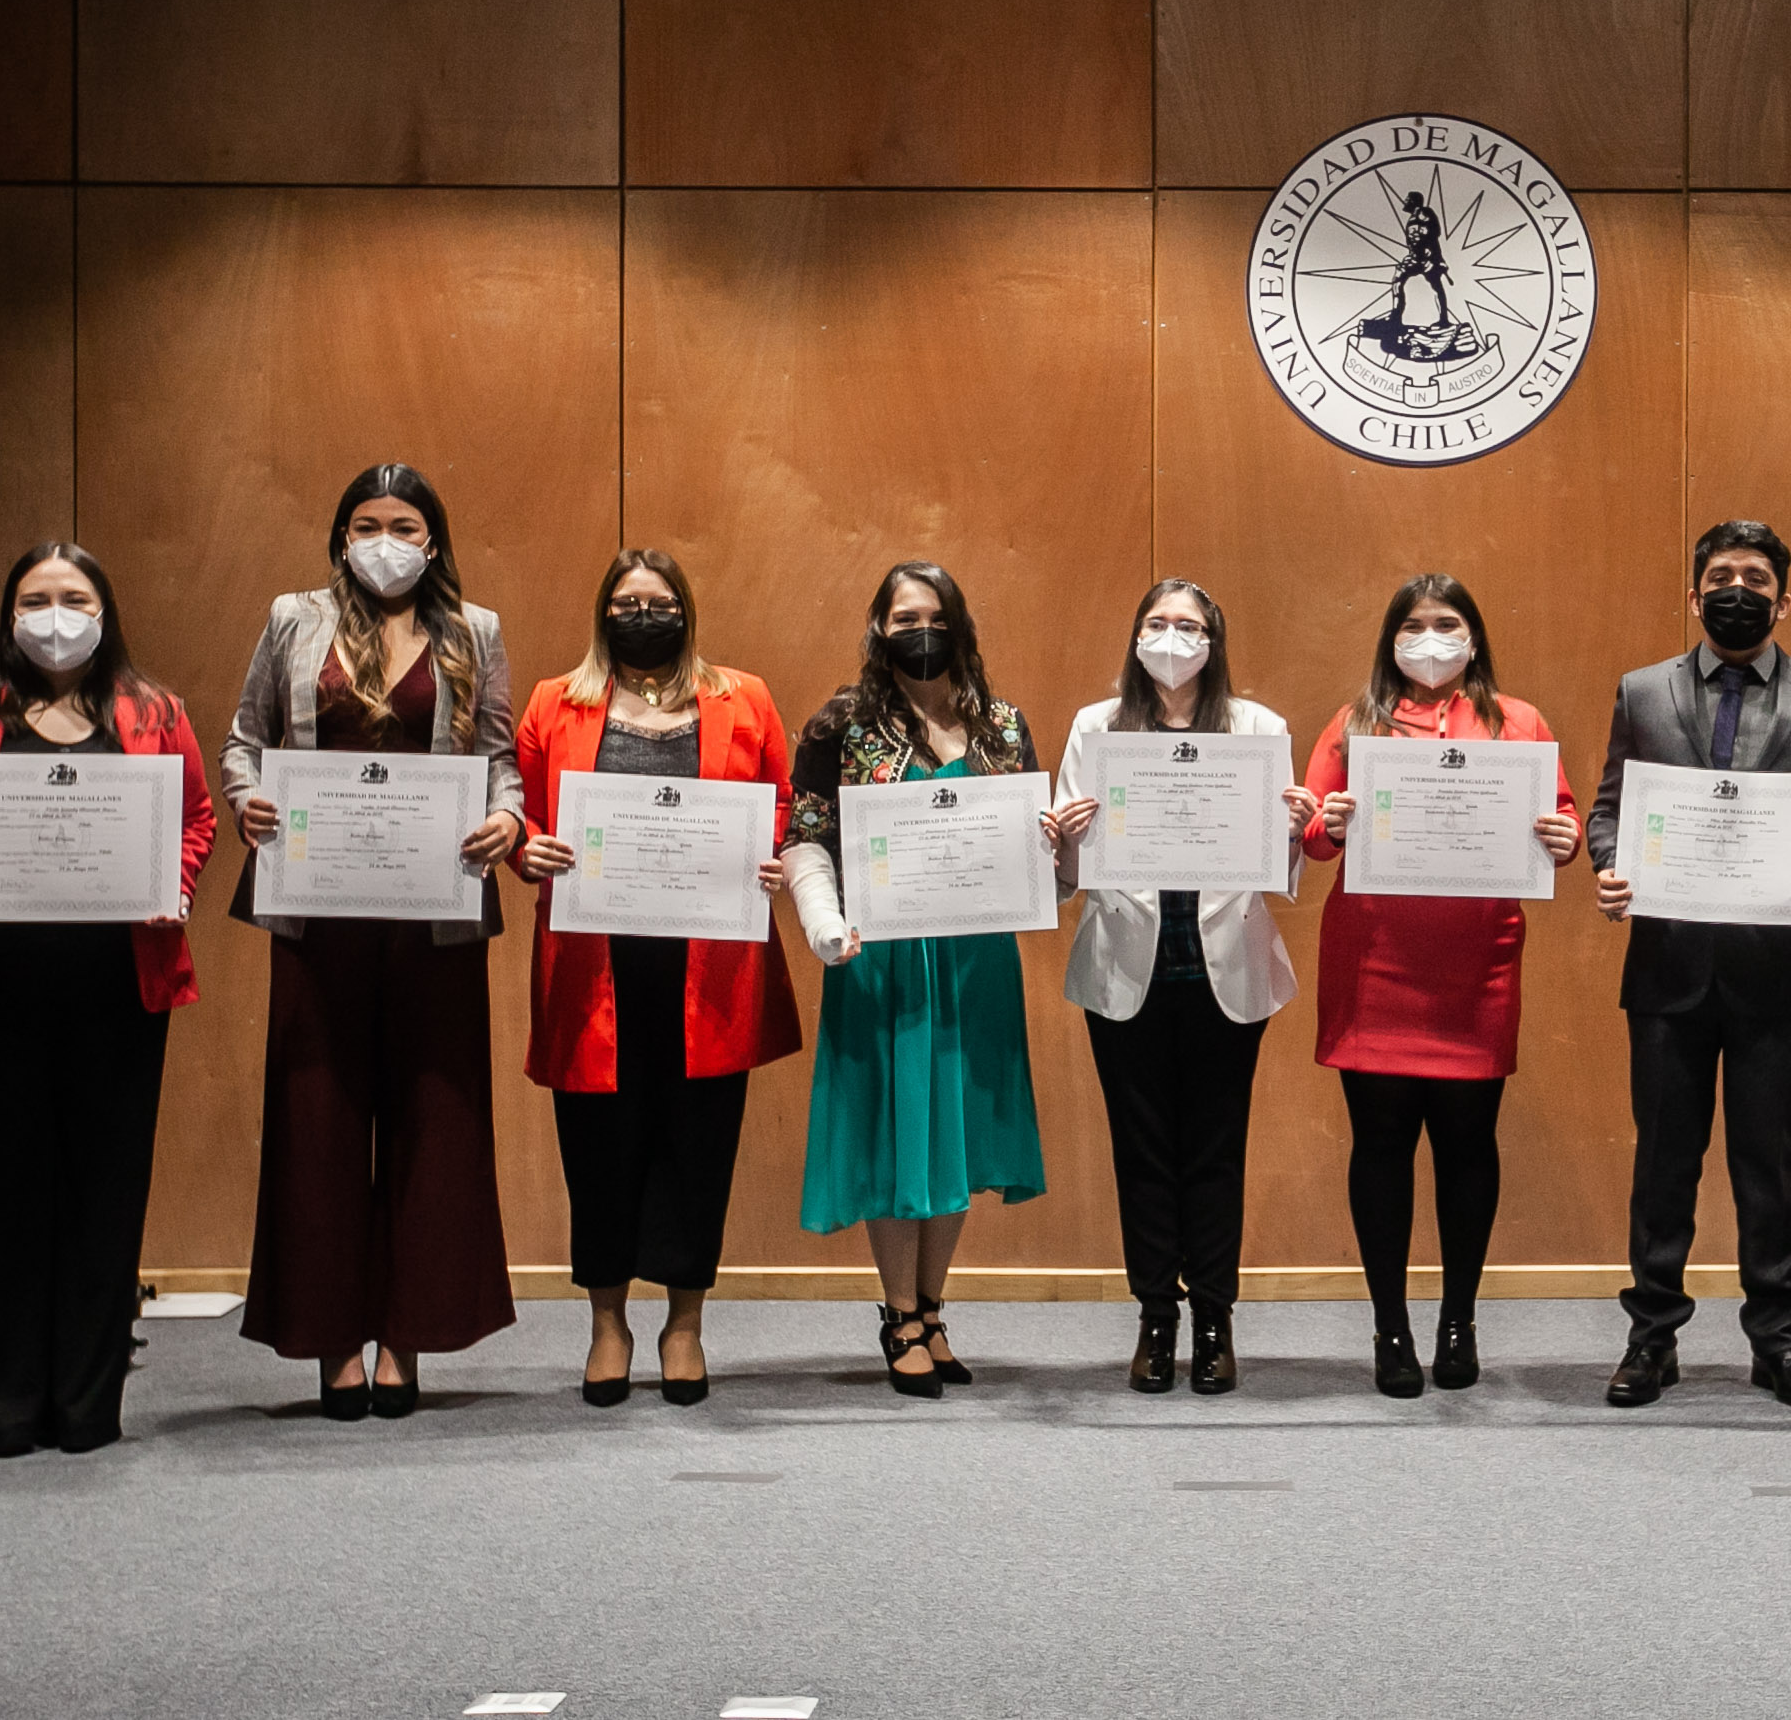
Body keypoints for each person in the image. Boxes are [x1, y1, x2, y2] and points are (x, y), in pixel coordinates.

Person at [0, 543, 216, 1456]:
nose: (55, 614)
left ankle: (84, 1408)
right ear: (9, 613)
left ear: (105, 611)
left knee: (105, 1198)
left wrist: (176, 879)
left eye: (74, 597)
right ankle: (2, 1410)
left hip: (119, 991)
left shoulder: (155, 713)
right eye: (35, 598)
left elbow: (195, 815)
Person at [222, 464, 525, 1420]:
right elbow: (241, 741)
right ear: (340, 535)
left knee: (435, 1122)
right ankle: (331, 1342)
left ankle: (406, 1335)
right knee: (317, 1120)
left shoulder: (474, 630)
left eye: (402, 524)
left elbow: (500, 757)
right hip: (320, 909)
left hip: (435, 910)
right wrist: (246, 799)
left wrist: (508, 822)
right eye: (364, 523)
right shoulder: (290, 618)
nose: (383, 538)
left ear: (431, 538)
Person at [1585, 520, 1791, 1410]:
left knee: (1768, 1161)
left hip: (1775, 974)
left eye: (1754, 577)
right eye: (1720, 575)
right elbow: (1608, 811)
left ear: (1784, 600)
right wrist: (1611, 866)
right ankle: (1651, 1336)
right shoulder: (1642, 692)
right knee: (1663, 1160)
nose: (1736, 589)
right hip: (1666, 970)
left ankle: (1775, 1336)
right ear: (1693, 592)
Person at [510, 550, 803, 1409]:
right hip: (592, 966)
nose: (644, 614)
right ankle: (607, 1322)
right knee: (597, 1142)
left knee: (697, 1141)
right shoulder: (553, 701)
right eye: (627, 602)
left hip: (707, 963)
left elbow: (781, 802)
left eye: (660, 601)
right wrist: (530, 847)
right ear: (602, 612)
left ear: (688, 611)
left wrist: (774, 854)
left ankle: (684, 1323)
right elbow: (524, 811)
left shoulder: (741, 696)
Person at [1302, 575, 1583, 1397]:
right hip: (1376, 963)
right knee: (1380, 1146)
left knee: (1468, 1146)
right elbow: (1312, 839)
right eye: (1413, 625)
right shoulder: (1355, 722)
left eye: (1447, 623)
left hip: (1477, 967)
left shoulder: (1518, 721)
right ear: (1390, 639)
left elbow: (1558, 828)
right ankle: (1390, 1327)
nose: (1430, 638)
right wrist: (1330, 824)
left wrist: (1561, 835)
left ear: (1474, 634)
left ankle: (1458, 1320)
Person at [779, 561, 1049, 1399]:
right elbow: (804, 836)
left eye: (931, 615)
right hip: (878, 957)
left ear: (958, 624)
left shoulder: (1004, 726)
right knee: (897, 1133)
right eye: (902, 617)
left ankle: (933, 1307)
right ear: (878, 628)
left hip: (975, 961)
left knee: (956, 1132)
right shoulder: (840, 723)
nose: (917, 630)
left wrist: (1056, 845)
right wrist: (823, 923)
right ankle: (897, 1312)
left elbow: (1030, 850)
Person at [1048, 579, 1317, 1395]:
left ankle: (1214, 1317)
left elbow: (1277, 867)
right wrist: (1065, 841)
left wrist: (1296, 830)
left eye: (1188, 625)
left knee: (1213, 1150)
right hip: (1124, 968)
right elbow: (1065, 874)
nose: (1172, 637)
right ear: (1134, 636)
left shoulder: (1257, 728)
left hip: (1224, 970)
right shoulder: (1096, 728)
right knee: (1141, 1154)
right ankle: (1154, 1317)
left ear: (1215, 638)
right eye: (1157, 624)